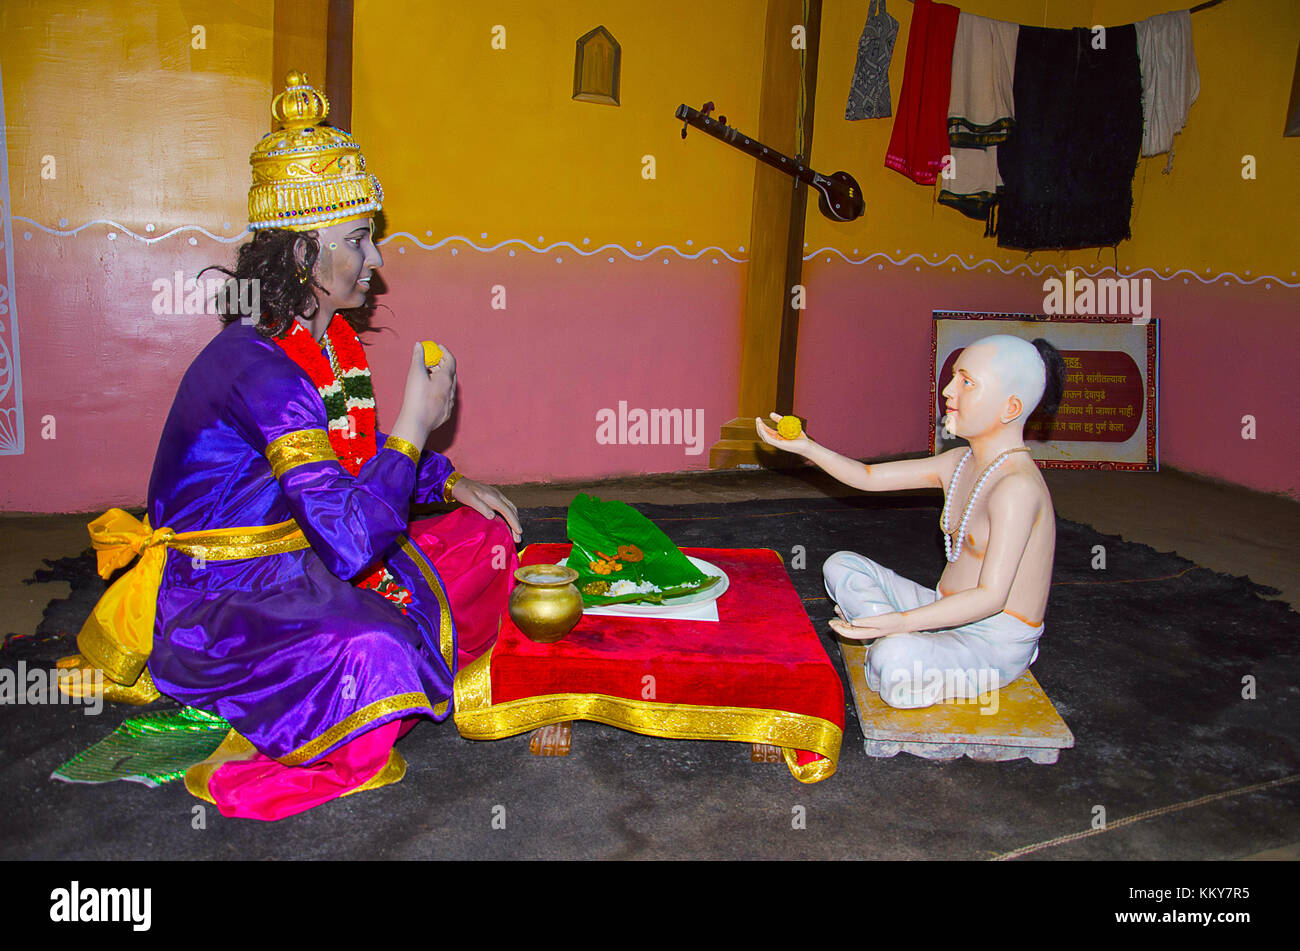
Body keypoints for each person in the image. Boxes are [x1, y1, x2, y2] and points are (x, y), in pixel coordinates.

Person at [60, 71, 522, 820]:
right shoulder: (258, 367)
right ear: (304, 256)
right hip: (222, 598)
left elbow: (346, 452)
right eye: (359, 241)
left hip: (296, 556)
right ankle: (308, 701)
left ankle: (391, 651)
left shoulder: (321, 343)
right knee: (377, 650)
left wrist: (443, 478)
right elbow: (345, 542)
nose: (375, 262)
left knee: (481, 538)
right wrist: (415, 423)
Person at [756, 334, 1065, 709]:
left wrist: (900, 622)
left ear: (1010, 407)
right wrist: (807, 447)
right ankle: (896, 641)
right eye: (953, 377)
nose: (949, 391)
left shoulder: (1016, 488)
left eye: (967, 382)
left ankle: (893, 647)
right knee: (842, 566)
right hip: (943, 609)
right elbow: (869, 478)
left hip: (991, 639)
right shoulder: (961, 462)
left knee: (895, 658)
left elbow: (992, 598)